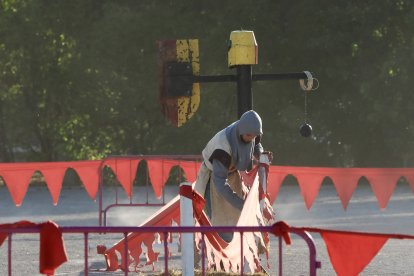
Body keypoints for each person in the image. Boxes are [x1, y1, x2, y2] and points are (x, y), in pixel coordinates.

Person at [194, 110, 273, 242]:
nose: (251, 138)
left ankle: (238, 257)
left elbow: (256, 145)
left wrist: (261, 155)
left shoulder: (250, 131)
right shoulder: (222, 148)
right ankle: (215, 259)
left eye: (254, 136)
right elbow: (220, 184)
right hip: (213, 180)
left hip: (231, 174)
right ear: (242, 131)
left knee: (238, 221)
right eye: (249, 135)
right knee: (219, 224)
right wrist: (243, 205)